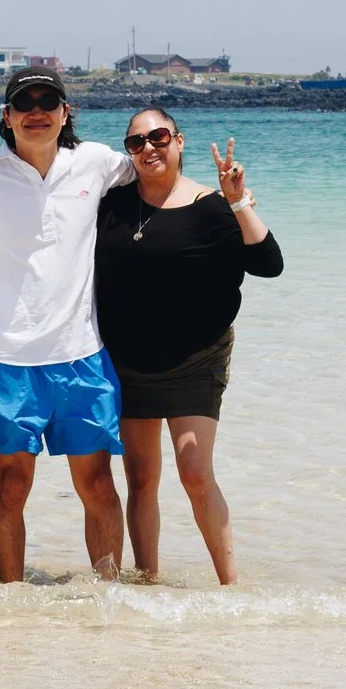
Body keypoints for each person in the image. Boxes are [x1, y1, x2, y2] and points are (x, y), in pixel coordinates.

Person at [0, 65, 134, 581]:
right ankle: (12, 598)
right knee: (9, 485)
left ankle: (109, 592)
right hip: (9, 361)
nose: (37, 111)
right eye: (24, 103)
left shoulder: (96, 162)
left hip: (83, 355)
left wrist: (228, 203)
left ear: (65, 112)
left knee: (98, 483)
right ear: (6, 116)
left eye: (47, 102)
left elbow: (155, 168)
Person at [96, 109, 282, 585]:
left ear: (178, 141)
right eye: (135, 143)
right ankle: (148, 580)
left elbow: (269, 263)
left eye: (158, 137)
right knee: (141, 478)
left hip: (197, 359)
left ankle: (231, 587)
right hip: (128, 362)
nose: (148, 149)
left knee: (195, 470)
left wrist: (239, 202)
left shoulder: (212, 206)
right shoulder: (112, 206)